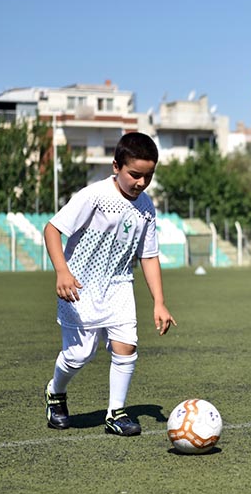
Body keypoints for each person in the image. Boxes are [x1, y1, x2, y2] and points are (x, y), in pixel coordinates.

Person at [43, 132, 176, 436]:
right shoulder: (95, 196)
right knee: (80, 354)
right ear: (116, 166)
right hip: (80, 287)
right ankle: (56, 392)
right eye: (135, 175)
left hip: (119, 285)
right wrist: (62, 272)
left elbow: (149, 256)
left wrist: (159, 301)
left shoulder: (146, 207)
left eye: (148, 176)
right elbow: (52, 230)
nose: (141, 182)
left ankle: (116, 412)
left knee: (126, 346)